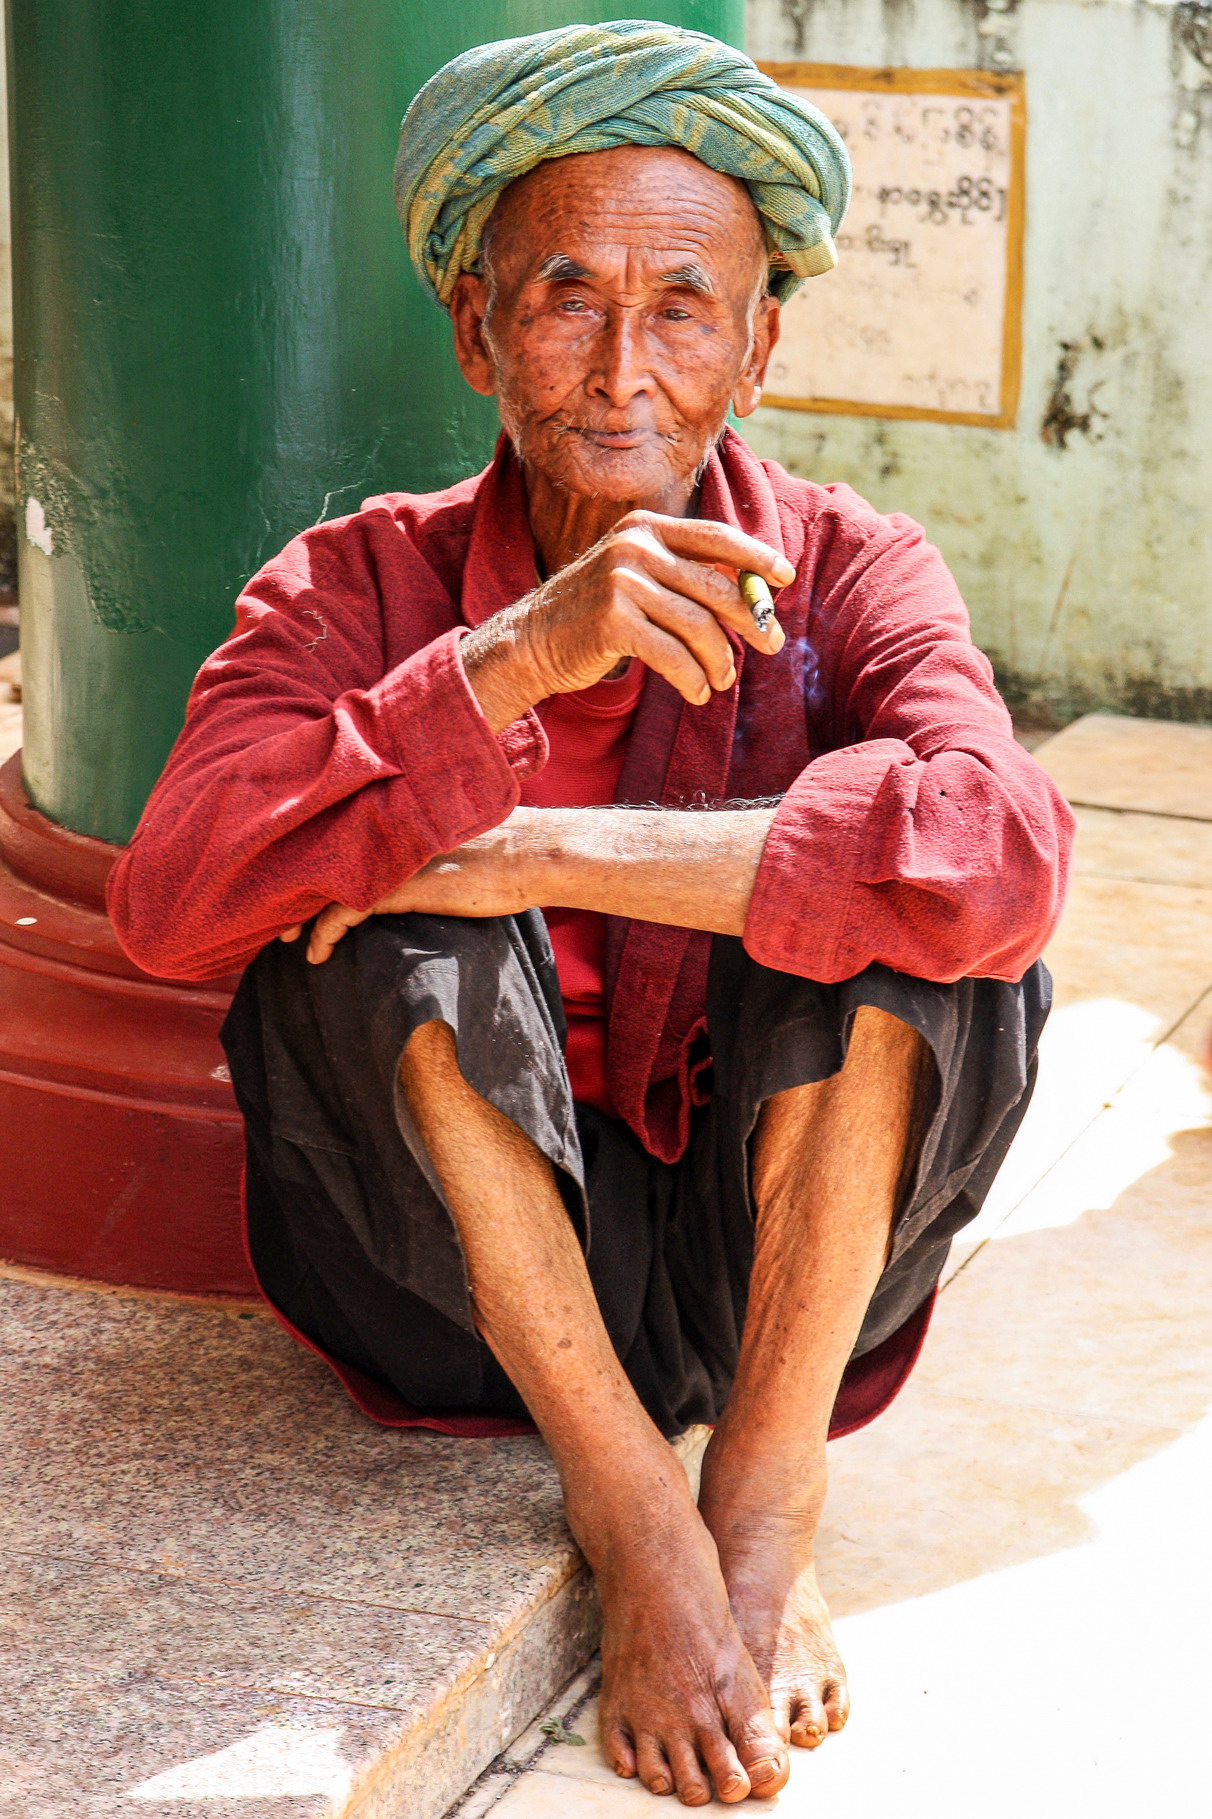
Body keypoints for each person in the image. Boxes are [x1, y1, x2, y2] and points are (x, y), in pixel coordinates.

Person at [109, 22, 1073, 1808]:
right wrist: (502, 671)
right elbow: (171, 901)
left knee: (914, 913)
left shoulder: (854, 566)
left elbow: (1011, 850)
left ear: (758, 345)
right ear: (479, 332)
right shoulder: (357, 582)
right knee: (375, 931)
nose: (625, 371)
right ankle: (636, 1508)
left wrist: (533, 847)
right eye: (567, 301)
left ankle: (765, 1503)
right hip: (455, 1296)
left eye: (686, 308)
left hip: (760, 1267)